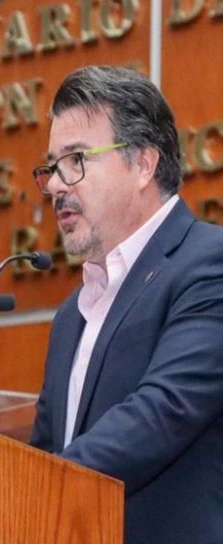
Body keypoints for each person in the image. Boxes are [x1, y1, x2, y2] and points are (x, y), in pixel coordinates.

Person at [27, 66, 223, 544]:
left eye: (75, 160)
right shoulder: (71, 314)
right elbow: (45, 446)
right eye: (52, 167)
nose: (56, 185)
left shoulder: (208, 264)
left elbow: (163, 412)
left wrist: (32, 488)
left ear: (143, 164)